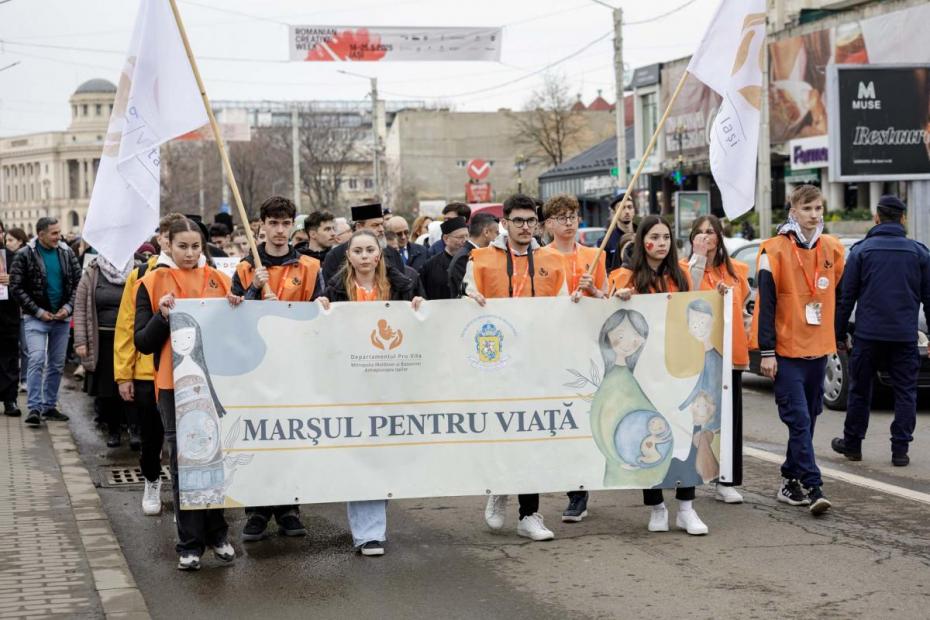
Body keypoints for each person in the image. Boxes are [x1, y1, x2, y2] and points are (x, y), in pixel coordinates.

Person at [463, 194, 567, 542]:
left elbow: (564, 310)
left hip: (537, 363)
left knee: (532, 437)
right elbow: (464, 300)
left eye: (530, 220)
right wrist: (469, 300)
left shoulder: (553, 260)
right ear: (504, 223)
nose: (525, 227)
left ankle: (529, 514)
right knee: (500, 432)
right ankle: (499, 487)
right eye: (518, 220)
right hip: (495, 364)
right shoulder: (480, 259)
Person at [134, 217, 236, 571]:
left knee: (215, 457)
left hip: (215, 383)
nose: (190, 253)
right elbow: (142, 342)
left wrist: (239, 304)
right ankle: (190, 544)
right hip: (171, 385)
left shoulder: (220, 280)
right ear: (167, 244)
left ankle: (218, 534)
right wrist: (162, 316)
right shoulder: (150, 282)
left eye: (196, 247)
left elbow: (234, 330)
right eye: (182, 246)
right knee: (184, 462)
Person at [320, 229, 424, 556]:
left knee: (385, 455)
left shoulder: (402, 286)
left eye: (370, 250)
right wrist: (320, 310)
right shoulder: (335, 291)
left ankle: (374, 517)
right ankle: (369, 533)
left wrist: (419, 308)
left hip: (393, 384)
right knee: (362, 454)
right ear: (348, 256)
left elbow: (422, 328)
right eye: (358, 251)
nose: (364, 256)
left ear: (379, 255)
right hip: (353, 386)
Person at [230, 196, 323, 542]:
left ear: (293, 225)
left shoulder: (310, 267)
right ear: (262, 226)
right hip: (255, 368)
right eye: (273, 223)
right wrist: (254, 291)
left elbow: (319, 315)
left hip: (294, 367)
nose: (280, 230)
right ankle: (256, 509)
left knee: (289, 437)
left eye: (286, 223)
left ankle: (288, 507)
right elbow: (232, 318)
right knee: (257, 436)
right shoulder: (245, 268)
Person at [611, 215, 709, 535]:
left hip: (679, 368)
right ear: (642, 241)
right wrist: (618, 298)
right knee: (649, 434)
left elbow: (697, 307)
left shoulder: (680, 275)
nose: (661, 243)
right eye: (654, 237)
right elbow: (610, 318)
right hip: (645, 372)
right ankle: (656, 506)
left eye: (666, 237)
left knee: (685, 432)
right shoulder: (625, 277)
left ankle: (686, 508)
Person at [751, 184, 844, 515]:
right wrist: (767, 351)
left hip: (818, 350)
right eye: (807, 209)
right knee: (799, 419)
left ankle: (789, 479)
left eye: (818, 208)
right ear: (793, 211)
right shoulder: (772, 250)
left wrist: (838, 335)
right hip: (786, 352)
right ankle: (814, 486)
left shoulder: (832, 248)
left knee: (809, 419)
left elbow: (836, 292)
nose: (814, 215)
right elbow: (765, 304)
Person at [832, 195, 930, 467]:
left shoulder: (861, 251)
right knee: (906, 392)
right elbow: (929, 299)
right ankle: (900, 451)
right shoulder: (919, 253)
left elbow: (846, 299)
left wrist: (839, 335)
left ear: (877, 217)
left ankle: (853, 445)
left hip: (868, 336)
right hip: (904, 337)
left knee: (860, 390)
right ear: (903, 219)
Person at [116, 214, 185, 517]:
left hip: (186, 370)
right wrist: (123, 374)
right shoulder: (142, 275)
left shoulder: (198, 273)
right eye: (170, 238)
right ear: (162, 240)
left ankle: (187, 493)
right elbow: (126, 326)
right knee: (151, 436)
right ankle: (152, 482)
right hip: (148, 371)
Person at [683, 215, 751, 504]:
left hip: (728, 355)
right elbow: (687, 295)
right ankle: (686, 477)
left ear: (720, 236)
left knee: (728, 420)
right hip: (698, 358)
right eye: (699, 232)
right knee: (697, 419)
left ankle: (727, 480)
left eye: (710, 232)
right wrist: (698, 259)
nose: (705, 236)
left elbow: (744, 310)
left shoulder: (736, 271)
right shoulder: (685, 268)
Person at [9, 217, 82, 427]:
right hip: (36, 319)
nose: (59, 236)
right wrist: (38, 311)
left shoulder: (67, 253)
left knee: (57, 364)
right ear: (41, 235)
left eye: (59, 232)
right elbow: (16, 287)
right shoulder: (25, 254)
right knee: (37, 359)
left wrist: (68, 308)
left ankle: (49, 406)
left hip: (61, 318)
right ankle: (34, 407)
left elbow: (78, 283)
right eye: (54, 233)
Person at [74, 254, 135, 447]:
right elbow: (80, 308)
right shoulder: (92, 272)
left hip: (130, 339)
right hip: (102, 340)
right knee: (108, 390)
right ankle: (113, 430)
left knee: (133, 384)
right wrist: (80, 341)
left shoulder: (138, 268)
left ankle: (134, 428)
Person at [321, 203, 404, 284]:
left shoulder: (393, 253)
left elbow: (402, 286)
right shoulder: (335, 256)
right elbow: (332, 288)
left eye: (382, 224)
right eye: (375, 225)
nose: (381, 229)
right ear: (359, 227)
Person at [448, 212, 499, 298]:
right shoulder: (464, 257)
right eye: (496, 233)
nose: (498, 237)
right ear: (486, 232)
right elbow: (465, 292)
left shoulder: (475, 253)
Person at [418, 217, 468, 300]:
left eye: (467, 236)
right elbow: (422, 293)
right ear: (446, 239)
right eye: (460, 237)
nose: (465, 240)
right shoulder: (430, 266)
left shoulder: (472, 260)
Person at [1, 220, 21, 417]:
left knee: (10, 359)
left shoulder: (13, 257)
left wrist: (12, 280)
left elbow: (26, 284)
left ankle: (10, 400)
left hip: (8, 316)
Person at [603, 196, 637, 273]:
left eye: (630, 207)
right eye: (622, 208)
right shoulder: (606, 241)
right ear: (614, 212)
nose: (627, 211)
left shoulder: (643, 235)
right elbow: (605, 272)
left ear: (634, 210)